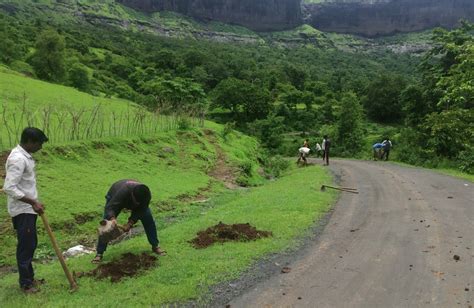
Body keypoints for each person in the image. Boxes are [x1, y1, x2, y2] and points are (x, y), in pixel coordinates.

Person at [3, 127, 48, 294]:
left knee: (30, 244)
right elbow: (9, 188)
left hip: (28, 208)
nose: (40, 148)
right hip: (23, 210)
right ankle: (26, 284)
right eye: (39, 144)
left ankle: (30, 278)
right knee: (26, 247)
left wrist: (34, 202)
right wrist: (32, 202)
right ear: (30, 142)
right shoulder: (18, 159)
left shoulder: (24, 157)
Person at [91, 179, 166, 263]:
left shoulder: (146, 195)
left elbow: (141, 210)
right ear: (132, 195)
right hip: (115, 196)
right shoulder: (122, 192)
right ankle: (99, 253)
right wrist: (112, 218)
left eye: (139, 203)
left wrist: (130, 223)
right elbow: (110, 207)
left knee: (148, 220)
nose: (137, 204)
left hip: (133, 199)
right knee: (106, 223)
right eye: (137, 202)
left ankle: (155, 246)